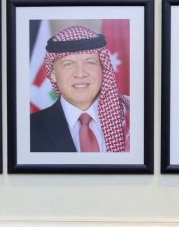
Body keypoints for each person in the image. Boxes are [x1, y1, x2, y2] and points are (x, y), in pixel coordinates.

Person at [30, 25, 130, 153]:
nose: (80, 73)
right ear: (53, 74)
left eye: (90, 62)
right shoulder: (28, 129)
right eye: (69, 64)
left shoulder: (133, 117)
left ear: (103, 69)